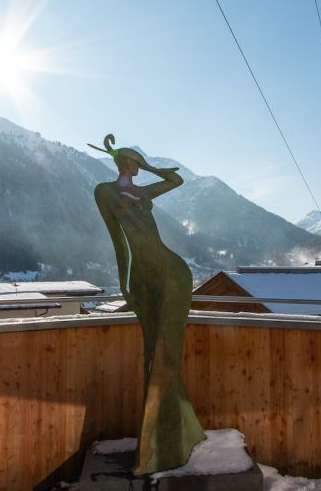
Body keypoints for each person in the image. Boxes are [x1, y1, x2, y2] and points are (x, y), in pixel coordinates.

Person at [92, 134, 205, 474]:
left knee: (166, 350)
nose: (136, 168)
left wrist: (152, 165)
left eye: (138, 164)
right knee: (153, 353)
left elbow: (176, 179)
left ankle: (167, 440)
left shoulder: (143, 191)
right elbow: (118, 242)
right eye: (133, 162)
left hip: (172, 271)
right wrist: (124, 280)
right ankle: (159, 443)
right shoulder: (105, 192)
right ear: (121, 162)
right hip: (143, 276)